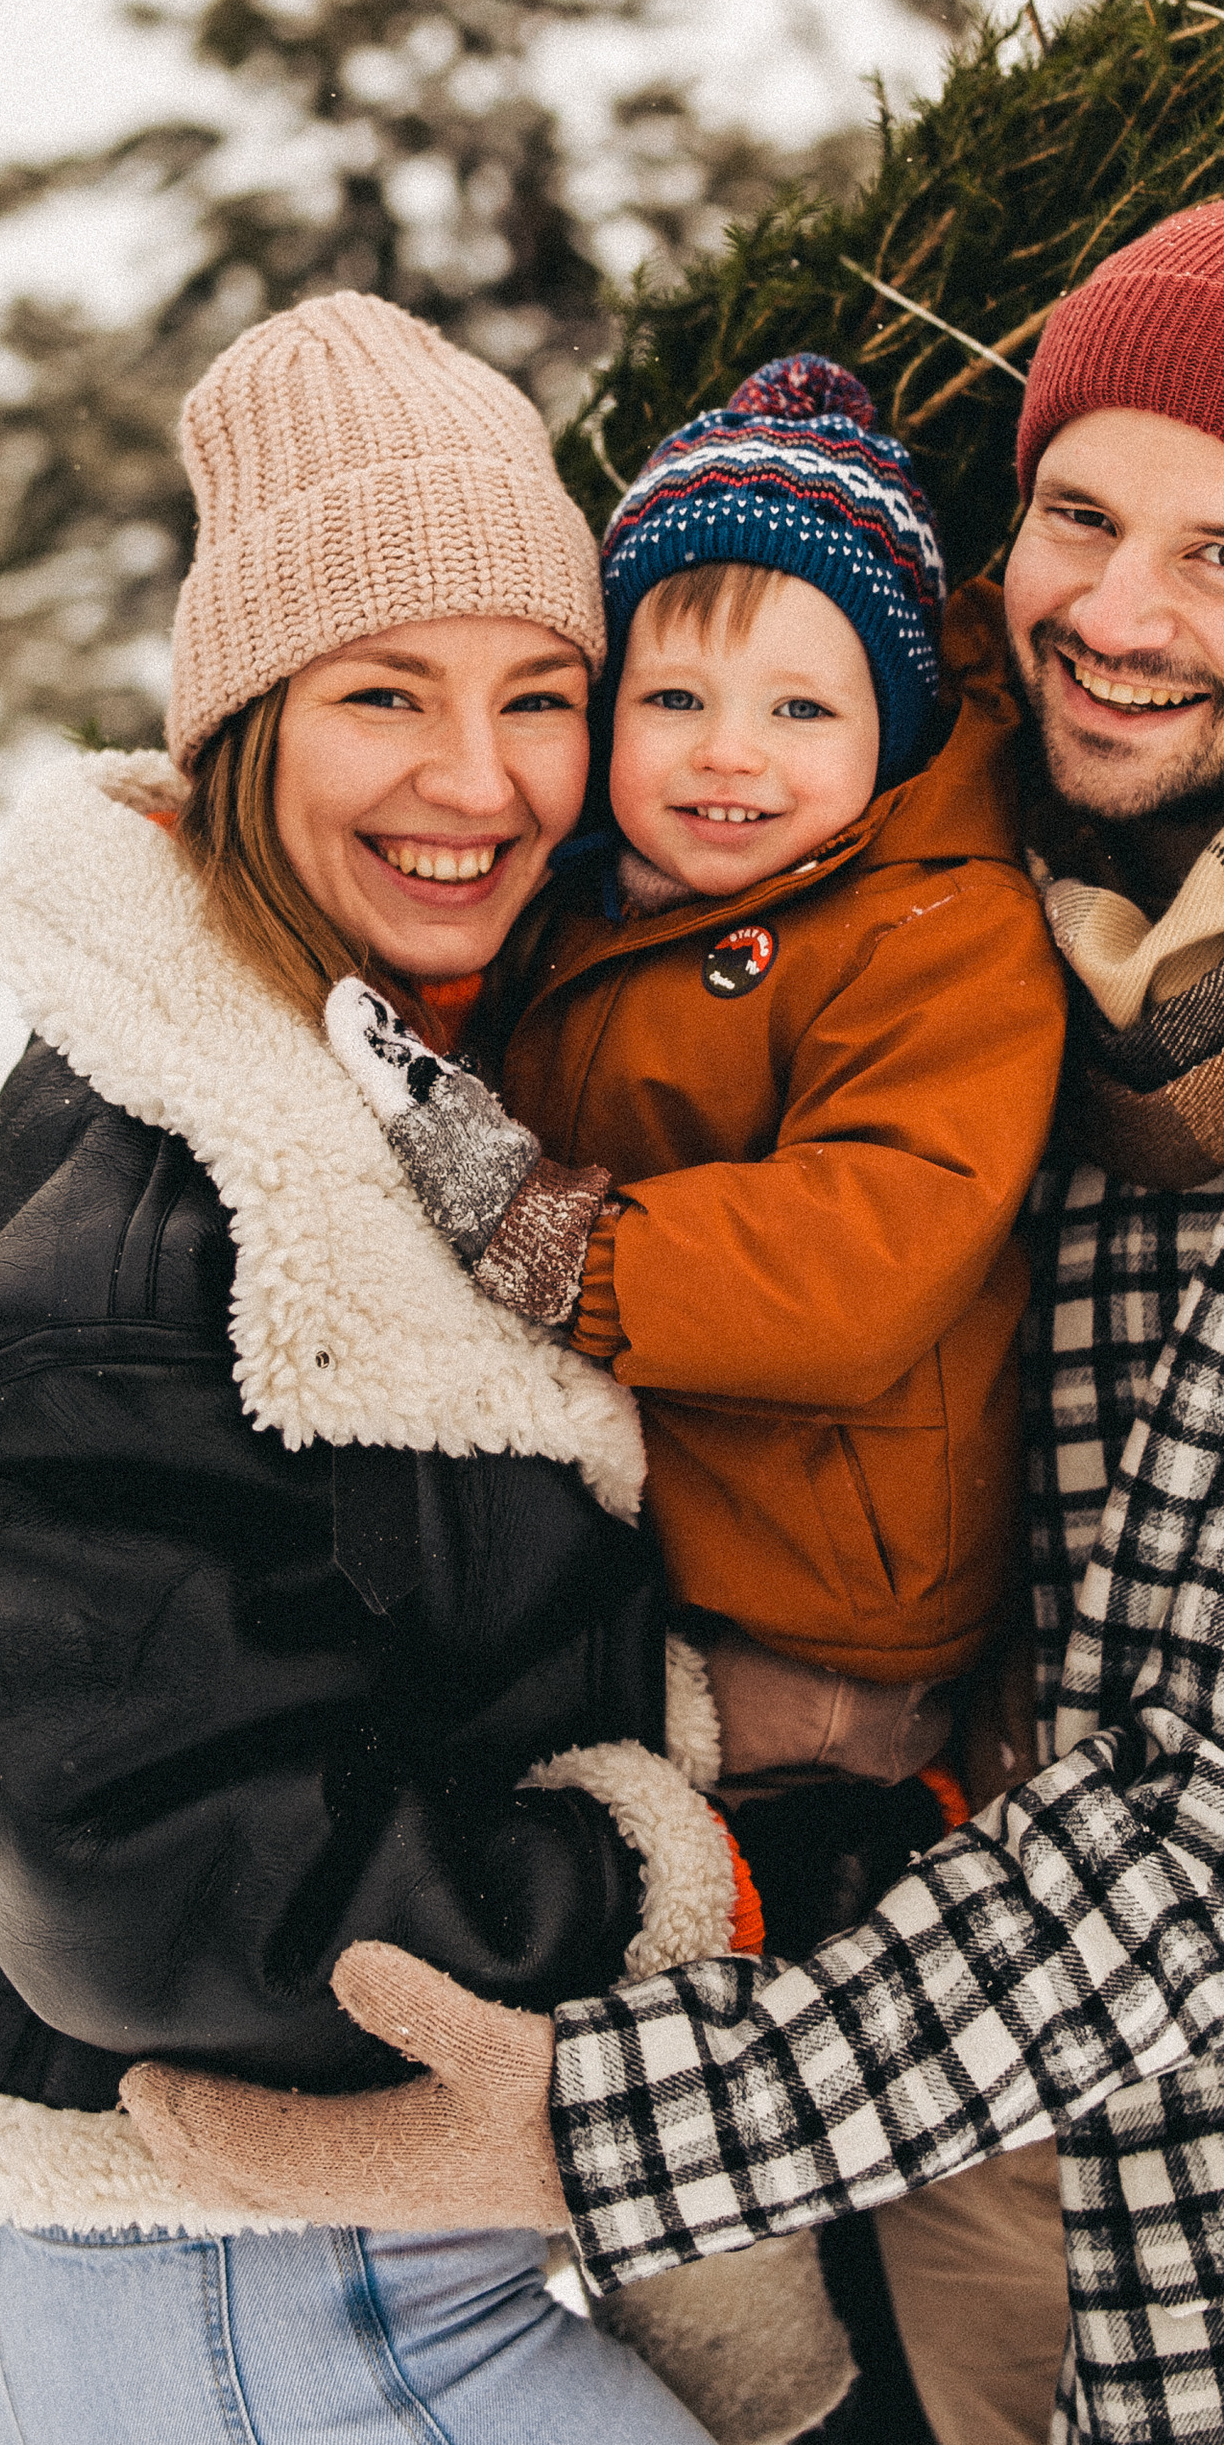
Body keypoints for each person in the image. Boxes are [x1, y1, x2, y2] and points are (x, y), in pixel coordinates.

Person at [127, 199, 1224, 2445]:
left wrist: (591, 2132)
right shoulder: (954, 842)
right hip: (931, 2057)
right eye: (1074, 514)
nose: (1117, 610)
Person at [0, 292, 919, 2445]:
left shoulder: (363, 1072)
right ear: (241, 723)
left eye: (535, 692)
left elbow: (370, 1615)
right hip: (263, 2279)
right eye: (383, 693)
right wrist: (679, 1860)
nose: (472, 778)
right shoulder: (161, 1244)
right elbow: (198, 1884)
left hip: (160, 2272)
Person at [326, 350, 1067, 1852]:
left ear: (895, 733)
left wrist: (565, 1248)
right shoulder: (588, 902)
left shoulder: (938, 932)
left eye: (802, 708)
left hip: (818, 1620)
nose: (729, 751)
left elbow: (870, 1245)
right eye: (676, 696)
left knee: (632, 1858)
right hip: (657, 1556)